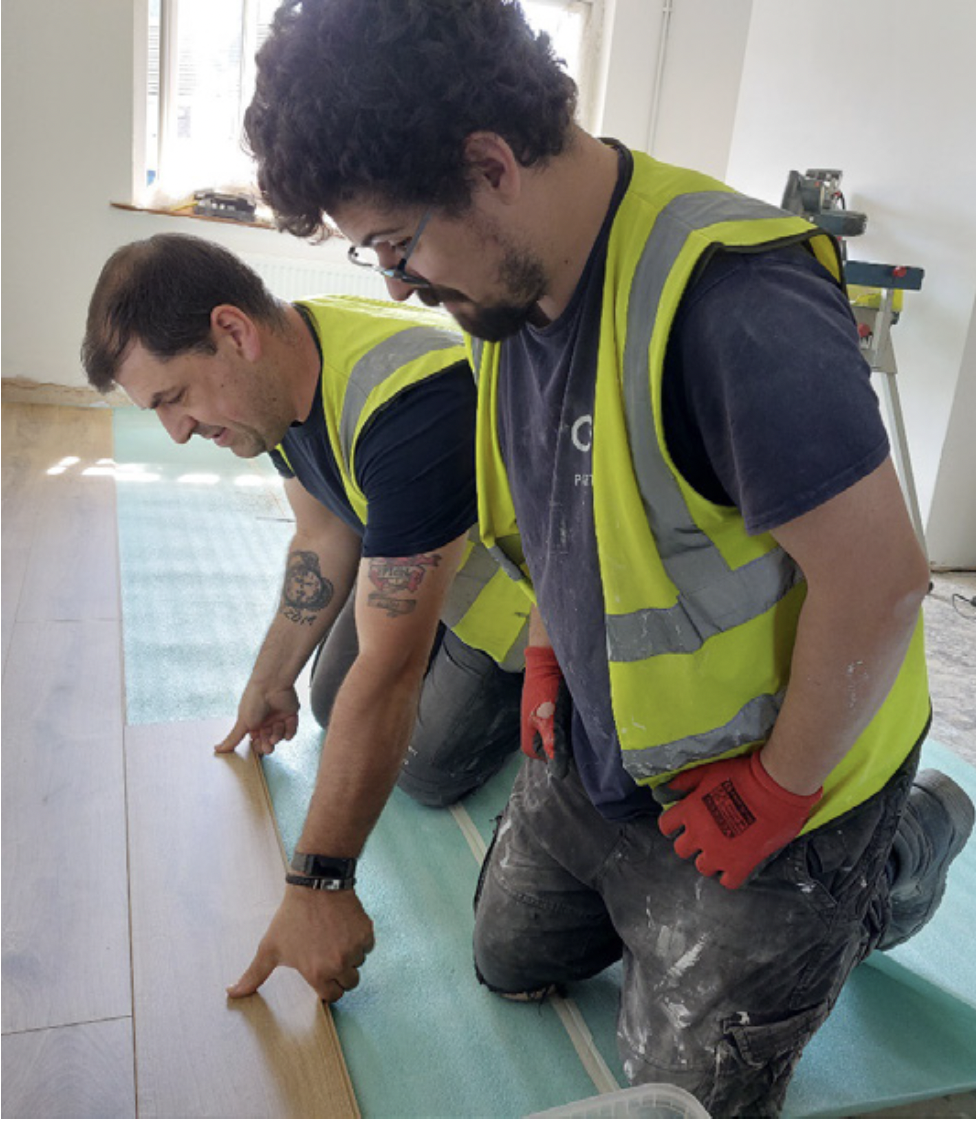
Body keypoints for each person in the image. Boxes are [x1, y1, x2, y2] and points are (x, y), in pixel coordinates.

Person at [243, 2, 975, 1115]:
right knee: (507, 960)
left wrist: (781, 788)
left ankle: (894, 856)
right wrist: (549, 659)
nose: (394, 281)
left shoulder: (734, 307)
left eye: (396, 244)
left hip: (783, 778)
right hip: (607, 752)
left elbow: (880, 585)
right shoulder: (507, 297)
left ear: (489, 166)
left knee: (682, 1100)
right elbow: (570, 516)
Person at [81, 231, 532, 998]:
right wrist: (270, 678)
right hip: (418, 564)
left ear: (233, 332)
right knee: (324, 702)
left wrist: (316, 885)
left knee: (418, 764)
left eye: (174, 397)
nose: (176, 431)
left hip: (513, 615)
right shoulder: (283, 372)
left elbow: (389, 677)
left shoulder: (413, 409)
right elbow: (325, 531)